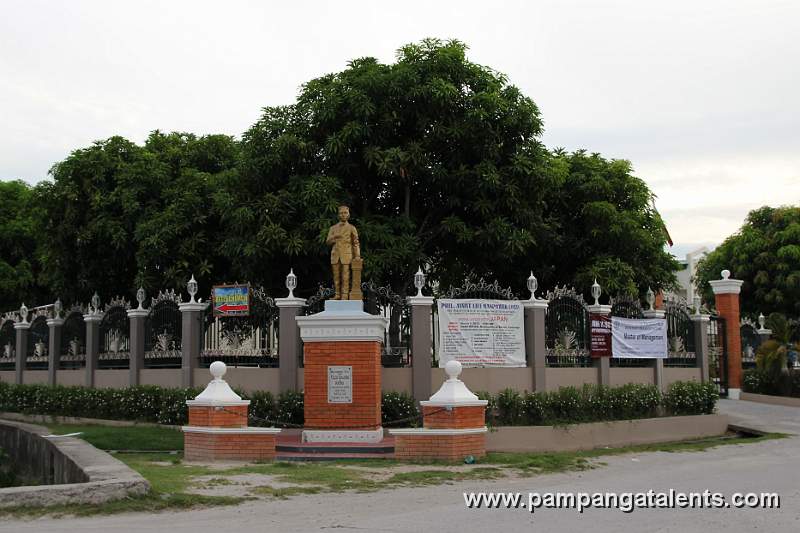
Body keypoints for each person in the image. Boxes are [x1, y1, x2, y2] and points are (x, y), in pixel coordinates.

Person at [326, 205, 360, 300]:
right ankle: (337, 294)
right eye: (341, 213)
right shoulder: (333, 228)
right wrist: (334, 237)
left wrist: (357, 255)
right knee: (336, 276)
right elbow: (328, 241)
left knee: (345, 276)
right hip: (335, 255)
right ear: (338, 215)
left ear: (348, 215)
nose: (343, 215)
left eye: (345, 213)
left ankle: (345, 295)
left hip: (346, 255)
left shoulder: (352, 228)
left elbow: (356, 243)